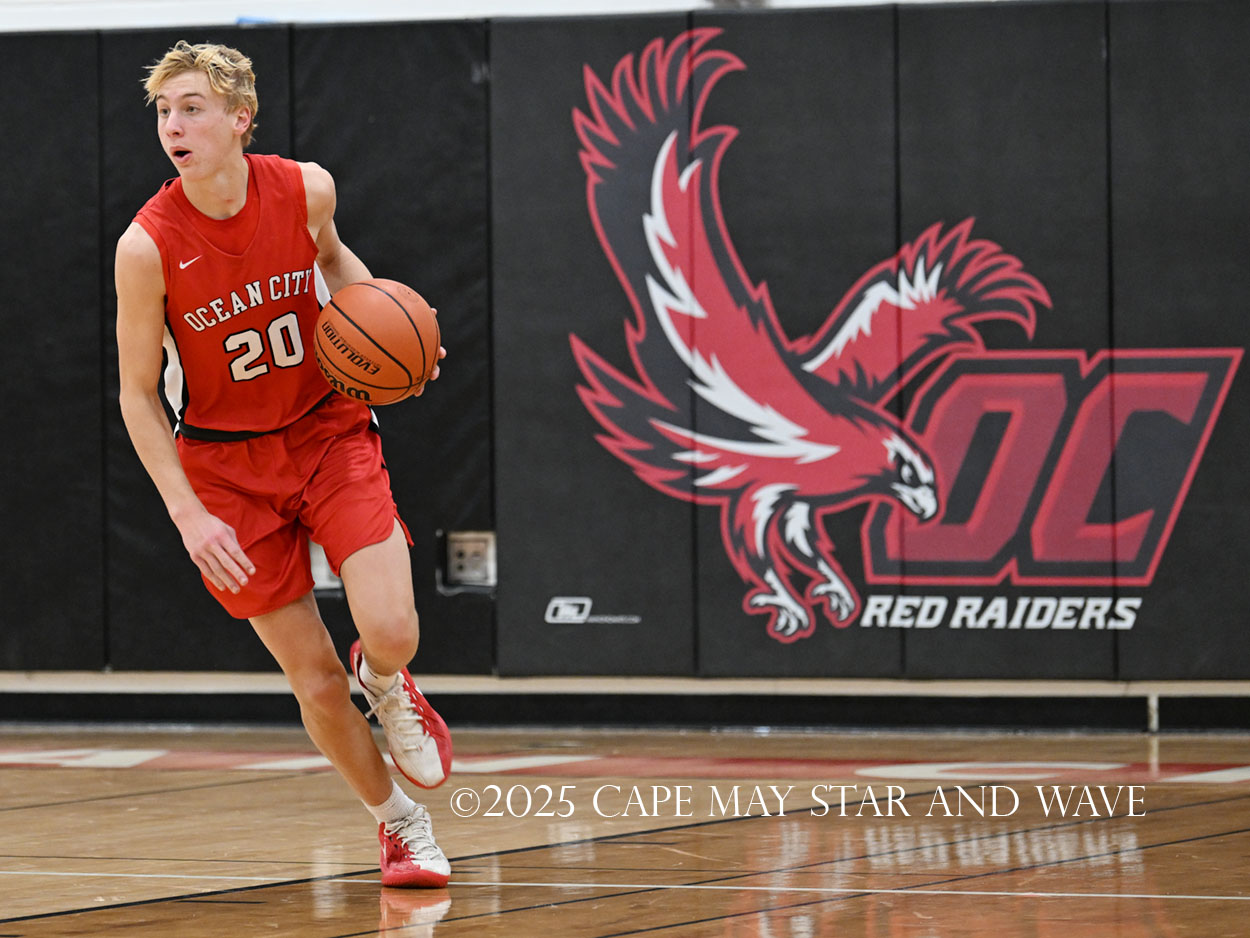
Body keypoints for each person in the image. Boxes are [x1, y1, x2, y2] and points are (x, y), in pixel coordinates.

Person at [114, 40, 452, 889]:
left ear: (241, 118)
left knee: (393, 630)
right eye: (164, 111)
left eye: (192, 108)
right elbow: (137, 395)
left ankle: (388, 681)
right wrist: (188, 514)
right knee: (313, 679)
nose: (173, 126)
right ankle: (400, 825)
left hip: (326, 431)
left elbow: (336, 264)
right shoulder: (146, 247)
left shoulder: (305, 189)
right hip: (226, 471)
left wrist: (398, 334)